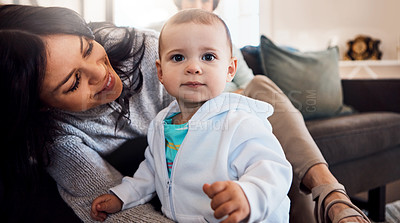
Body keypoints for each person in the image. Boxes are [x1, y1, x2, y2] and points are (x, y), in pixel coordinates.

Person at [0, 3, 369, 223]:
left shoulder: (141, 49)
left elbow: (267, 165)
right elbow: (145, 175)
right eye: (73, 82)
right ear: (43, 104)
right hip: (185, 188)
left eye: (86, 49)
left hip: (222, 143)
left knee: (258, 94)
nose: (102, 74)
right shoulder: (59, 140)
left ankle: (331, 194)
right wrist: (122, 196)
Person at [154, 1, 371, 223]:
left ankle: (329, 189)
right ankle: (329, 194)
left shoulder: (220, 36)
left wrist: (228, 96)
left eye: (205, 1)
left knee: (260, 83)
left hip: (237, 102)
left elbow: (247, 82)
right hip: (194, 107)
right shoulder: (163, 32)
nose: (199, 5)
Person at [90, 9, 292, 223]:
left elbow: (272, 169)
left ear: (230, 69)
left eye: (208, 57)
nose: (193, 67)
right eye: (178, 57)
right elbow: (151, 172)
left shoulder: (239, 121)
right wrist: (122, 197)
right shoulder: (161, 124)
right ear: (160, 72)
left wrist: (249, 196)